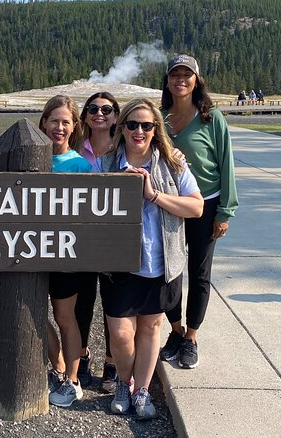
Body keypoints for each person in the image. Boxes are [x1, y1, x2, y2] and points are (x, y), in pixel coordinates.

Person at [100, 98, 203, 419]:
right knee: (120, 333)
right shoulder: (105, 164)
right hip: (119, 265)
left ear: (156, 129)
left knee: (150, 328)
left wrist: (154, 195)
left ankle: (141, 391)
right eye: (132, 124)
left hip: (160, 263)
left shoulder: (173, 163)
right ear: (122, 128)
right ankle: (122, 382)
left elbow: (196, 207)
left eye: (147, 125)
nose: (139, 131)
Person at [159, 54, 239, 369]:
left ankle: (191, 336)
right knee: (168, 272)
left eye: (187, 74)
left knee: (199, 272)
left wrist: (225, 211)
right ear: (167, 80)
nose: (181, 80)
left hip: (206, 204)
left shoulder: (211, 117)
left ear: (196, 80)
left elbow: (226, 164)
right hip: (169, 205)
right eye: (175, 74)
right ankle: (176, 330)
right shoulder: (160, 117)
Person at [37, 95, 92, 408]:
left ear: (74, 127)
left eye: (65, 122)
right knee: (33, 314)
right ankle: (57, 366)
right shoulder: (30, 157)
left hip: (66, 255)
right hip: (30, 251)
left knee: (64, 317)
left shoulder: (81, 165)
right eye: (54, 120)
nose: (59, 127)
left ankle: (72, 379)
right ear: (44, 122)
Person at [71, 91, 121, 393]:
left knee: (113, 302)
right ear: (85, 115)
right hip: (82, 236)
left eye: (106, 109)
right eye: (92, 108)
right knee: (83, 300)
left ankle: (112, 361)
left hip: (114, 237)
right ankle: (82, 353)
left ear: (116, 115)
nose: (98, 114)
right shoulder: (77, 147)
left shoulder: (125, 145)